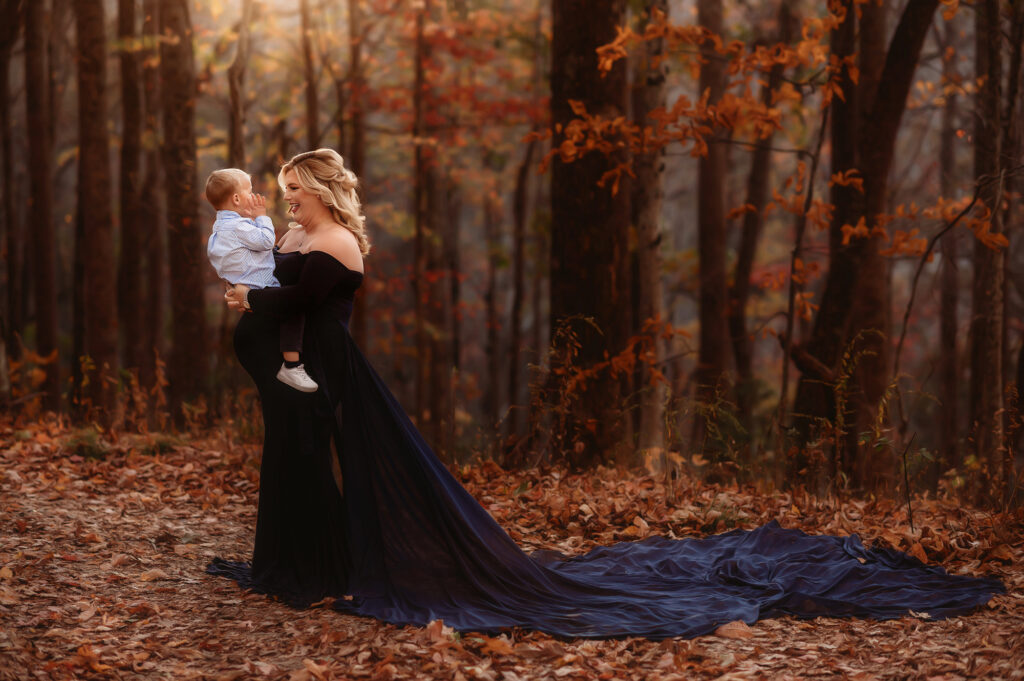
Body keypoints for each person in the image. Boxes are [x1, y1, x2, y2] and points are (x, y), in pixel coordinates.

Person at [207, 148, 1003, 639]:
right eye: (281, 189)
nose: (286, 198)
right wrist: (250, 283)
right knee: (299, 461)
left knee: (345, 464)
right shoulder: (295, 232)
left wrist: (255, 301)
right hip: (298, 371)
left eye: (292, 187)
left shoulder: (337, 237)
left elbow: (307, 302)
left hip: (332, 367)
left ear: (318, 188)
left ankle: (325, 567)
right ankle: (298, 563)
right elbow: (273, 278)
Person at [204, 168, 318, 393]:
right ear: (237, 199)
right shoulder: (239, 226)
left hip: (243, 285)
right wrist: (261, 216)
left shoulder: (219, 228)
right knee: (292, 311)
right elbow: (266, 241)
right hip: (260, 284)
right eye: (249, 190)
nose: (253, 195)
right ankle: (292, 364)